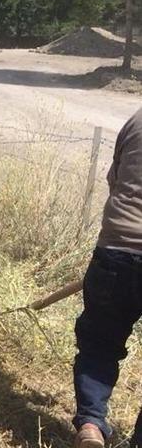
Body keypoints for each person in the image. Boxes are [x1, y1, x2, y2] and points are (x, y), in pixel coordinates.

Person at [73, 107, 142, 448]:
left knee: (99, 343)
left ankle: (91, 425)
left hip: (116, 249)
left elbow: (115, 181)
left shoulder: (137, 120)